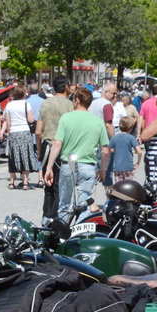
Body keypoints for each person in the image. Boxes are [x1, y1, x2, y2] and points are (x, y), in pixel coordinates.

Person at [44, 85, 109, 225]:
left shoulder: (66, 118)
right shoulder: (97, 121)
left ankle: (62, 234)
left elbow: (57, 144)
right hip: (88, 166)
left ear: (78, 100)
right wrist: (102, 169)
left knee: (64, 204)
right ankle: (80, 234)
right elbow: (105, 150)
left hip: (68, 165)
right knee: (84, 205)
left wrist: (49, 167)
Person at [37, 77, 71, 218]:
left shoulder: (45, 104)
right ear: (67, 87)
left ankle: (46, 217)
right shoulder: (70, 105)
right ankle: (57, 219)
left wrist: (39, 151)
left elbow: (38, 131)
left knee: (48, 186)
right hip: (64, 147)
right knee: (60, 187)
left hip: (48, 146)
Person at [1, 84, 38, 189]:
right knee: (25, 155)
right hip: (25, 131)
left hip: (13, 132)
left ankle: (12, 181)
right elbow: (31, 119)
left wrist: (8, 134)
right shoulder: (26, 104)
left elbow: (8, 122)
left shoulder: (9, 105)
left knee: (13, 156)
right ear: (23, 94)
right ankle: (25, 182)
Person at [107, 115, 140, 185]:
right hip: (129, 167)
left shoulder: (114, 138)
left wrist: (113, 150)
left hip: (117, 168)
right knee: (130, 186)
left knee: (119, 187)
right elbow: (139, 151)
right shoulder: (131, 138)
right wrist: (138, 163)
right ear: (130, 127)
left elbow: (108, 150)